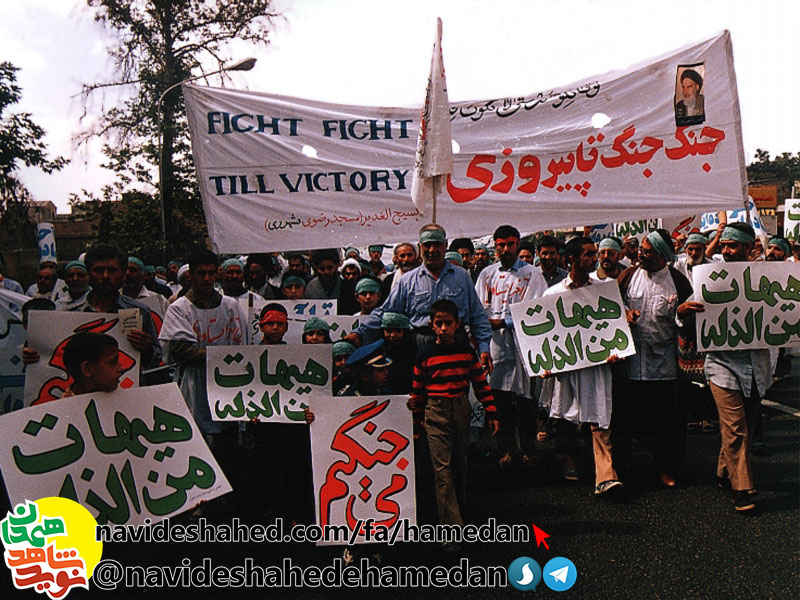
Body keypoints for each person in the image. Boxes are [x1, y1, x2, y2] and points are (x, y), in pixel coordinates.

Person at [677, 223, 769, 512]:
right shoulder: (710, 276)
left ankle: (724, 471)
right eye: (724, 245)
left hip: (756, 365)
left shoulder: (767, 277)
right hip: (722, 365)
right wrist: (681, 312)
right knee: (735, 427)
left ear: (748, 247)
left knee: (746, 426)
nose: (726, 251)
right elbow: (687, 311)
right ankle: (742, 489)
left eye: (732, 245)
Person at [159, 249, 245, 513]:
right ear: (191, 276)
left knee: (228, 446)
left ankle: (227, 506)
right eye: (200, 273)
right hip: (195, 385)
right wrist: (222, 357)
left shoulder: (230, 306)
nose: (206, 279)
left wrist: (221, 358)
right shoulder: (179, 308)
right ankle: (198, 504)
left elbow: (242, 346)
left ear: (217, 274)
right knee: (198, 445)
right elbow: (181, 351)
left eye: (210, 273)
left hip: (227, 385)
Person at [539, 237, 624, 497]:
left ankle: (606, 476)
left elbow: (616, 324)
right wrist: (545, 363)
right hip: (566, 369)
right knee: (565, 418)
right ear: (571, 259)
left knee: (600, 418)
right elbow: (543, 336)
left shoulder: (604, 290)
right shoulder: (553, 295)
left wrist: (616, 350)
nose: (594, 259)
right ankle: (569, 460)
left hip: (596, 367)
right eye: (588, 254)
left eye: (594, 254)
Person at [350, 224, 494, 375]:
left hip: (456, 347)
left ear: (445, 245)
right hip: (420, 348)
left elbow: (478, 316)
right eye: (427, 245)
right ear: (420, 247)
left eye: (437, 244)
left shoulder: (462, 277)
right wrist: (359, 333)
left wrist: (484, 349)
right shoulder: (407, 281)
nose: (432, 250)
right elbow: (385, 312)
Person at [408, 299, 498, 537]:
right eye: (439, 323)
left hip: (460, 408)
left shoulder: (465, 352)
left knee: (460, 464)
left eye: (448, 323)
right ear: (431, 325)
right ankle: (451, 530)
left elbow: (479, 383)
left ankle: (460, 511)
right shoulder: (425, 355)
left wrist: (491, 412)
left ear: (458, 324)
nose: (443, 328)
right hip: (435, 410)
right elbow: (417, 391)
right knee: (442, 469)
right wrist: (417, 420)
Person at [614, 230, 693, 487]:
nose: (641, 255)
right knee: (625, 419)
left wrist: (681, 314)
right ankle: (621, 468)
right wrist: (624, 314)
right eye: (641, 250)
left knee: (665, 422)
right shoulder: (628, 276)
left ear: (663, 256)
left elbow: (691, 322)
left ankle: (666, 468)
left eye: (648, 252)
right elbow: (610, 308)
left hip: (663, 365)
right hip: (630, 363)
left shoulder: (678, 283)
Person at [475, 225, 548, 468]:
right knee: (499, 400)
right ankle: (505, 448)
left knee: (525, 401)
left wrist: (504, 322)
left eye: (510, 244)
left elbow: (537, 308)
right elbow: (479, 308)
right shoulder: (487, 275)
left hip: (523, 346)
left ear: (517, 244)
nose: (506, 249)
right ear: (495, 247)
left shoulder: (531, 274)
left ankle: (528, 448)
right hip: (495, 346)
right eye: (501, 245)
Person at [62, 332, 124, 396]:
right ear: (87, 369)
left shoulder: (119, 397)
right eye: (112, 362)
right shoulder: (68, 403)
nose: (121, 368)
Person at [123, 256, 170, 325]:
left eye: (133, 270)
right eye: (124, 269)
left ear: (143, 275)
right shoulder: (111, 300)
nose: (128, 273)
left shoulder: (160, 301)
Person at [380, 312, 415, 395]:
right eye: (388, 330)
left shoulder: (413, 351)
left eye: (398, 331)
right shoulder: (379, 350)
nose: (392, 335)